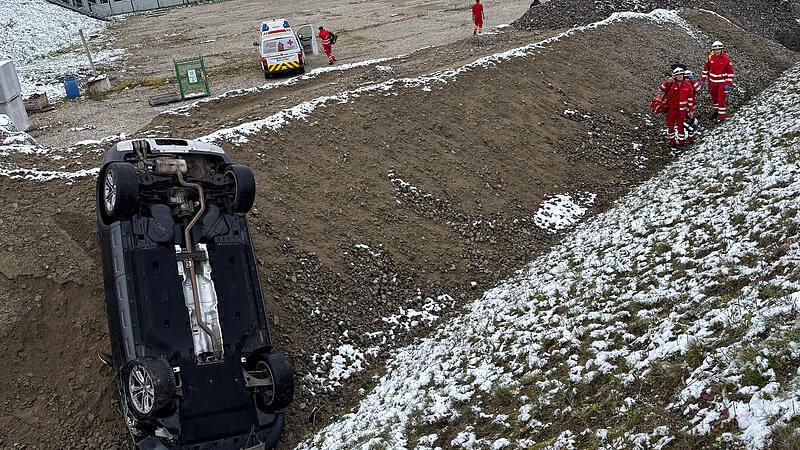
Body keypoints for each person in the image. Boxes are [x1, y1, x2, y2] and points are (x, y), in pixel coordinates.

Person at [658, 67, 693, 148]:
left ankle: (682, 142)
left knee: (681, 127)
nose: (680, 76)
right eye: (678, 75)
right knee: (671, 127)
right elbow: (660, 89)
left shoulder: (688, 85)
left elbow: (690, 99)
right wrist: (667, 82)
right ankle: (672, 142)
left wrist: (690, 110)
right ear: (675, 76)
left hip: (682, 110)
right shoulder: (671, 84)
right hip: (671, 110)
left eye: (681, 74)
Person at [700, 40, 734, 121]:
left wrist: (728, 84)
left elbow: (730, 73)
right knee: (714, 99)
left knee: (720, 100)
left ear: (721, 49)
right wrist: (702, 80)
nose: (717, 51)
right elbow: (705, 70)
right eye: (715, 50)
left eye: (718, 49)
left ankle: (721, 118)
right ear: (713, 50)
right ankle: (716, 112)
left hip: (722, 84)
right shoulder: (710, 58)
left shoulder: (726, 59)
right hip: (712, 83)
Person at [683, 69, 702, 143]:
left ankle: (691, 139)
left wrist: (693, 81)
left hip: (691, 107)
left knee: (691, 123)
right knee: (683, 123)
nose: (687, 79)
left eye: (689, 78)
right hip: (683, 107)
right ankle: (683, 139)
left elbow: (698, 88)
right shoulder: (681, 85)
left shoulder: (692, 84)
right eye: (686, 78)